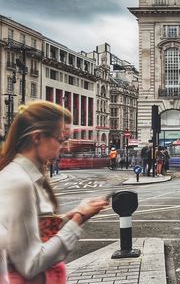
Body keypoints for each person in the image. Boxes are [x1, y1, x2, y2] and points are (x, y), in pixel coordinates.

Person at [0, 101, 108, 283]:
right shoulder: (19, 182)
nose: (65, 147)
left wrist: (75, 215)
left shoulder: (29, 178)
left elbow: (36, 232)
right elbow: (31, 264)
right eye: (61, 139)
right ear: (37, 137)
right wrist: (77, 222)